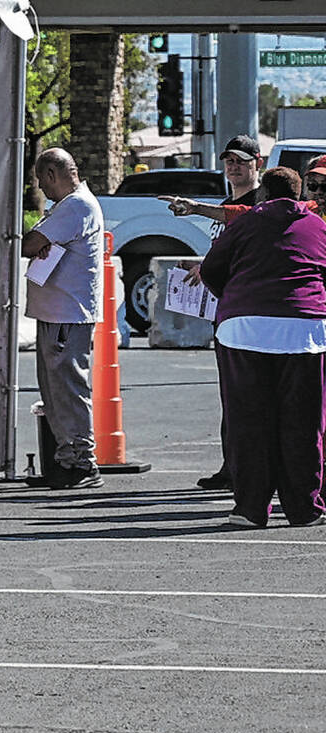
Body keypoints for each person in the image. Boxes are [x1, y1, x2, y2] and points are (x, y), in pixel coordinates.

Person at [199, 166, 326, 528]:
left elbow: (211, 269)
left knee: (249, 421)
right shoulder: (317, 226)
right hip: (306, 332)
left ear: (262, 195)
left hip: (245, 331)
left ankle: (250, 509)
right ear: (300, 195)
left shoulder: (245, 223)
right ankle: (305, 508)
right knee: (303, 422)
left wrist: (238, 300)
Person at [158, 133, 264, 492]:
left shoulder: (261, 203)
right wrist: (205, 265)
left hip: (251, 313)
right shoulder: (227, 200)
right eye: (229, 161)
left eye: (241, 161)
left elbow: (244, 226)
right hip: (227, 309)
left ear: (258, 164)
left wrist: (194, 207)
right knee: (232, 395)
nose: (233, 167)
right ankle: (232, 464)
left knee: (250, 395)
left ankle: (248, 469)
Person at [21, 148, 104, 490]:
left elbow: (30, 244)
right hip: (59, 312)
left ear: (53, 175)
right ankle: (67, 458)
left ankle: (82, 462)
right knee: (56, 390)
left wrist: (38, 240)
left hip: (67, 314)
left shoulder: (75, 206)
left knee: (68, 389)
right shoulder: (69, 207)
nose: (43, 189)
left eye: (43, 182)